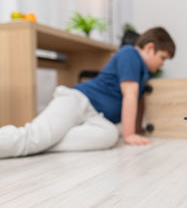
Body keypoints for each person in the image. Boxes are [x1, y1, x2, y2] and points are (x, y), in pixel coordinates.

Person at [0, 27, 175, 158]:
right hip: (77, 101)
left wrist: (137, 129)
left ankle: (45, 143)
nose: (163, 64)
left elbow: (138, 100)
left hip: (95, 117)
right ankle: (37, 142)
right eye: (163, 58)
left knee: (110, 136)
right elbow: (130, 95)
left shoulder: (143, 72)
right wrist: (129, 134)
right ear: (150, 48)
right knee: (33, 138)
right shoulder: (130, 54)